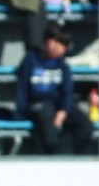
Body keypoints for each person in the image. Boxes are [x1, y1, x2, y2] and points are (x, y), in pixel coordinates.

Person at [14, 22, 92, 156]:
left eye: (62, 44)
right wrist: (20, 114)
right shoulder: (30, 60)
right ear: (46, 40)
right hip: (38, 105)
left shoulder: (63, 66)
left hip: (59, 107)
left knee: (85, 126)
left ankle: (82, 160)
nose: (57, 47)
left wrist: (63, 111)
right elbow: (22, 90)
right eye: (54, 40)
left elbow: (68, 92)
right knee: (49, 130)